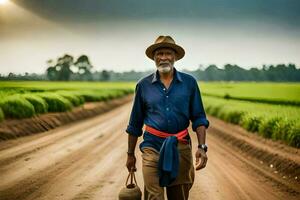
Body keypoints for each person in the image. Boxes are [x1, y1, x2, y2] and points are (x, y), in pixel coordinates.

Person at [125, 35, 209, 200]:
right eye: (159, 54)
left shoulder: (189, 83)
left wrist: (202, 147)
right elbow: (135, 124)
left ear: (175, 57)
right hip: (152, 147)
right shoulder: (143, 86)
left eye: (168, 53)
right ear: (154, 58)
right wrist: (130, 154)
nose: (163, 57)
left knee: (179, 196)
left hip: (181, 146)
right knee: (154, 197)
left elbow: (199, 117)